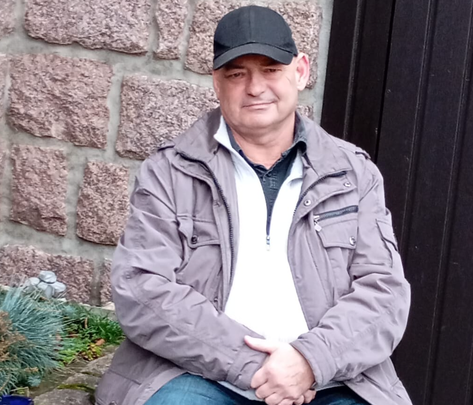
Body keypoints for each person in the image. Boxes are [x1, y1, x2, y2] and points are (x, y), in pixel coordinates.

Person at [95, 5, 412, 405]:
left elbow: (384, 294)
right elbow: (142, 288)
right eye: (236, 74)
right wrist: (255, 366)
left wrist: (308, 361)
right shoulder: (169, 172)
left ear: (300, 71)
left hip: (331, 381)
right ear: (216, 82)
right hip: (198, 377)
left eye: (271, 69)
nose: (255, 87)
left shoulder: (353, 173)